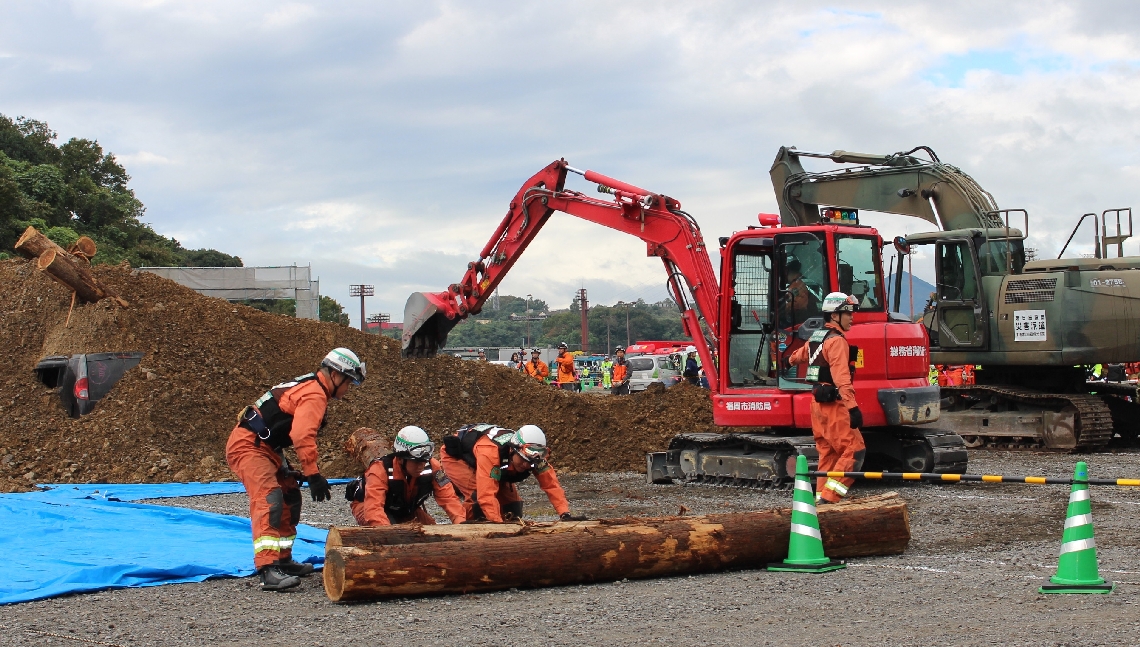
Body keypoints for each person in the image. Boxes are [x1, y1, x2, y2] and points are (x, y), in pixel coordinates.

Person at [227, 348, 365, 591]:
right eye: (349, 382)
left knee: (290, 494)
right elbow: (302, 435)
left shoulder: (312, 388)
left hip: (267, 446)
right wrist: (313, 474)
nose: (348, 389)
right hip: (249, 445)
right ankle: (267, 568)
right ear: (335, 375)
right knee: (269, 498)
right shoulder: (314, 394)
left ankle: (282, 559)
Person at [787, 292, 865, 505]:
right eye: (847, 313)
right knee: (854, 450)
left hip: (817, 406)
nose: (852, 317)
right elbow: (842, 378)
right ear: (835, 315)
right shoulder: (837, 341)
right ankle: (830, 499)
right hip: (834, 405)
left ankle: (820, 500)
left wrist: (786, 362)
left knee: (828, 455)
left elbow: (798, 356)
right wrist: (853, 408)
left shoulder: (817, 337)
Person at [440, 424, 584, 523]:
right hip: (457, 459)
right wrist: (498, 526)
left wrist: (565, 514)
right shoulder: (490, 452)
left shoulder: (535, 459)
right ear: (512, 450)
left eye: (530, 463)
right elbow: (486, 496)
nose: (526, 465)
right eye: (523, 460)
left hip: (496, 465)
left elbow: (552, 486)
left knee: (513, 507)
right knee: (477, 497)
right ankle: (465, 532)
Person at [347, 426, 466, 526]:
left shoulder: (432, 466)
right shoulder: (379, 470)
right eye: (416, 461)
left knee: (433, 533)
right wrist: (389, 536)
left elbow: (449, 498)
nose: (421, 465)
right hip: (367, 507)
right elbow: (373, 510)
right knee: (391, 537)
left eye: (424, 461)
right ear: (400, 458)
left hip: (405, 509)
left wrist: (460, 524)